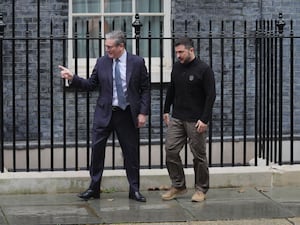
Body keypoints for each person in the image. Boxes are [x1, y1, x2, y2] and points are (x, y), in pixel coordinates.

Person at [59, 30, 150, 202]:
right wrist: (73, 78)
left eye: (109, 47)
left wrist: (143, 113)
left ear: (121, 46)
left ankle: (134, 189)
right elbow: (91, 84)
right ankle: (94, 188)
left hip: (127, 114)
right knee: (97, 151)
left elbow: (145, 89)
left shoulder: (137, 62)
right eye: (106, 47)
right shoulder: (102, 62)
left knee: (131, 153)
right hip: (104, 113)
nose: (106, 50)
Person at [162, 37, 216, 202]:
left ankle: (201, 189)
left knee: (198, 156)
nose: (178, 55)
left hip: (196, 120)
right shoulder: (177, 67)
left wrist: (204, 119)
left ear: (191, 50)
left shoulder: (204, 69)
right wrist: (166, 110)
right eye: (176, 52)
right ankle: (178, 185)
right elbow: (171, 89)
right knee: (171, 150)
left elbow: (211, 95)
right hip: (177, 117)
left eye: (181, 52)